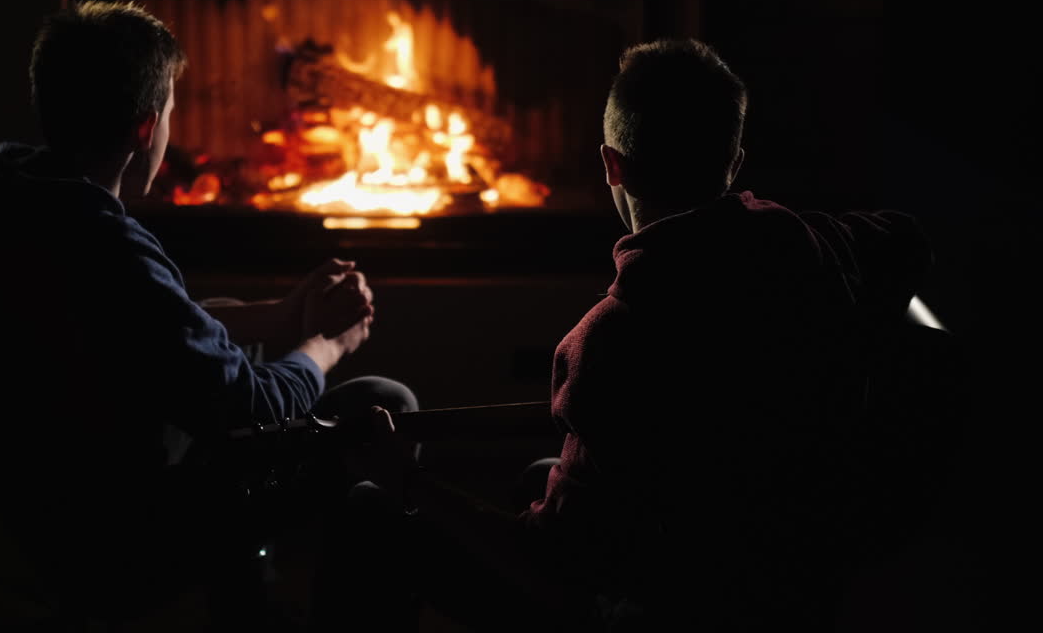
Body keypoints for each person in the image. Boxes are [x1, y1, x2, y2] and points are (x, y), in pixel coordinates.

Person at [322, 39, 933, 632]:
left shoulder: (613, 340)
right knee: (541, 475)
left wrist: (405, 477)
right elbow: (905, 236)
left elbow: (555, 564)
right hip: (792, 584)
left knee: (370, 509)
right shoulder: (814, 244)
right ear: (735, 160)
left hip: (663, 608)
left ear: (612, 164)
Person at [0, 0, 415, 625]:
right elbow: (248, 408)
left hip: (9, 498)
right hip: (104, 530)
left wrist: (284, 313)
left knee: (281, 357)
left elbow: (155, 329)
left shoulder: (4, 201)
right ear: (145, 128)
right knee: (386, 407)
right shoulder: (105, 245)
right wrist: (327, 345)